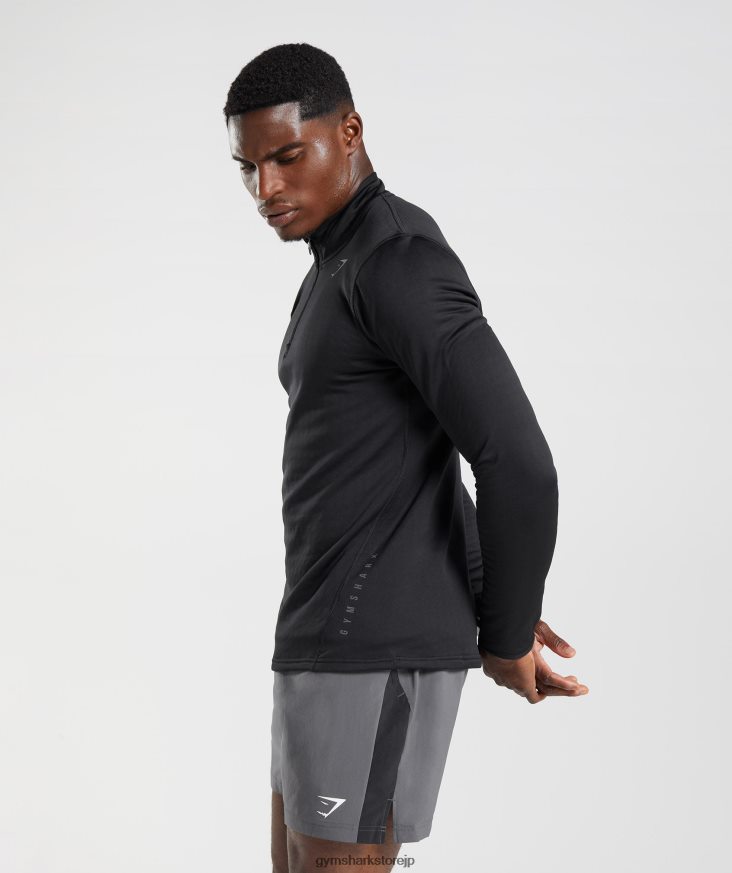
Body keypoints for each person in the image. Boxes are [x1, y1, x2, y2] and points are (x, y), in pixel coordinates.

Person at [223, 42, 589, 873]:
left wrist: (504, 628)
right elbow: (425, 452)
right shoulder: (335, 264)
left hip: (374, 646)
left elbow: (516, 458)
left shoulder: (398, 260)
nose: (265, 188)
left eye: (287, 157)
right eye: (247, 167)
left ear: (349, 132)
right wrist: (489, 587)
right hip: (320, 635)